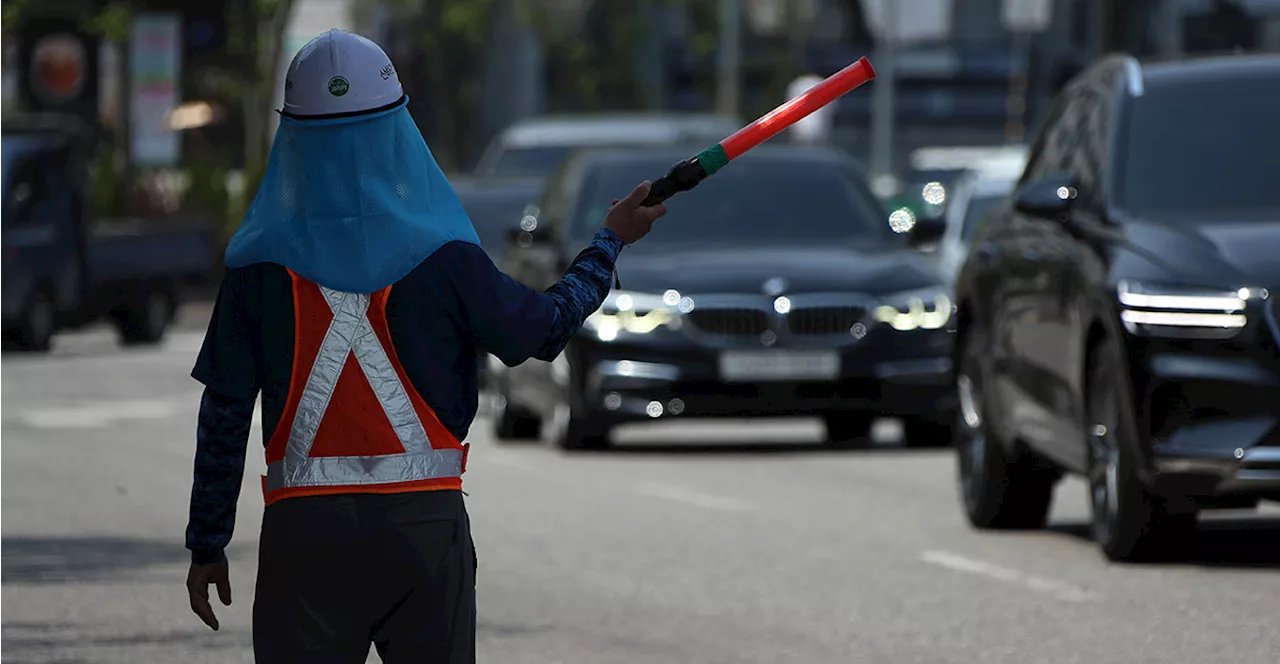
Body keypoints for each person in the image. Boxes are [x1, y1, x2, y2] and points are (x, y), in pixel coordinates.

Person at [183, 29, 666, 663]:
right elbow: (542, 330)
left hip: (305, 539)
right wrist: (608, 244)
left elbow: (223, 414)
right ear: (397, 134)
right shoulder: (446, 259)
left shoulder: (257, 268)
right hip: (423, 532)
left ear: (293, 141)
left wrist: (208, 543)